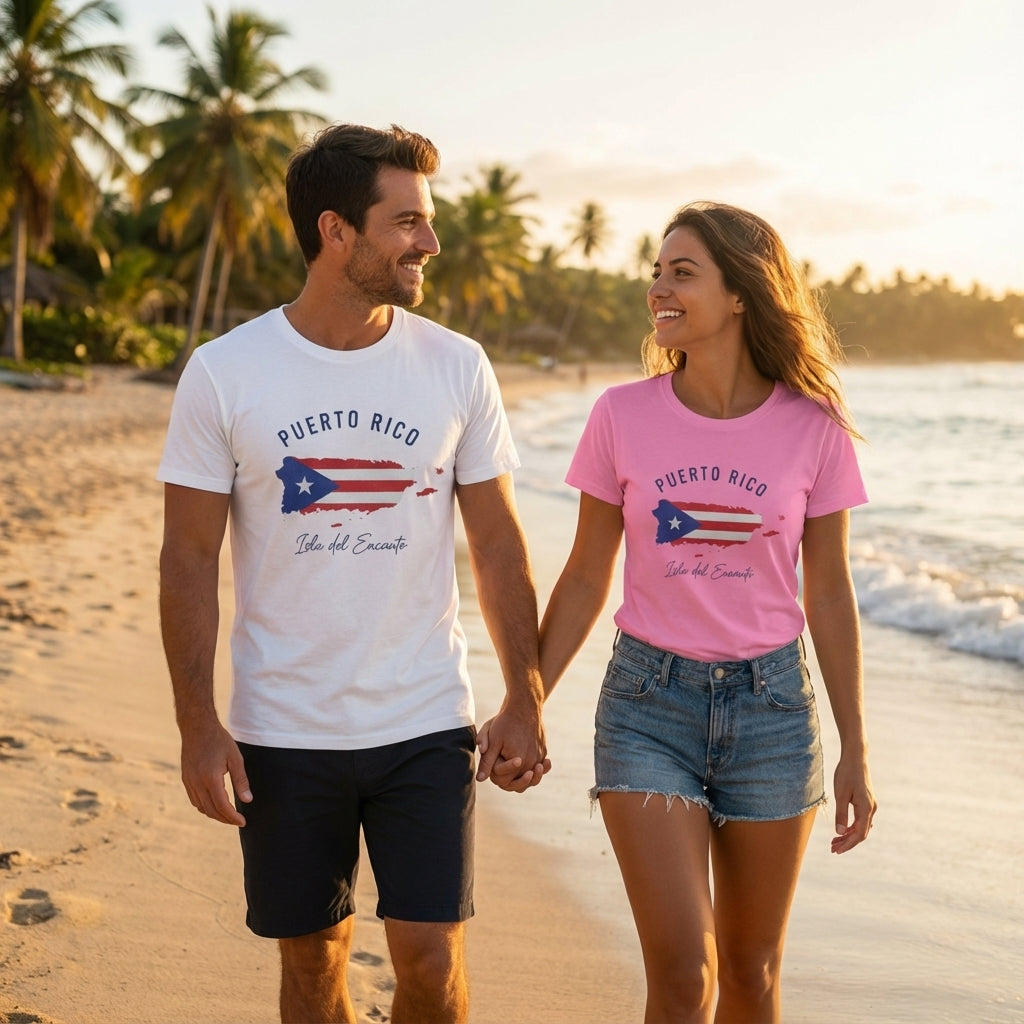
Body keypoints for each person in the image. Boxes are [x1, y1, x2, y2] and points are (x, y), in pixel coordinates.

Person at [157, 123, 548, 1024]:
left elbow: (496, 544)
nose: (430, 243)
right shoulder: (225, 373)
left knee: (430, 963)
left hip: (423, 718)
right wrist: (198, 725)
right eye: (407, 221)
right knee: (311, 967)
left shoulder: (457, 366)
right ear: (337, 231)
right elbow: (187, 557)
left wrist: (523, 697)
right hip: (283, 728)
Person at [480, 201, 877, 1022]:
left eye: (681, 272)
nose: (658, 287)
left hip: (774, 712)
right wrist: (528, 701)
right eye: (656, 272)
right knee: (682, 974)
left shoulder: (816, 427)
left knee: (753, 973)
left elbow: (829, 592)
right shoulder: (622, 415)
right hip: (646, 706)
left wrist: (855, 746)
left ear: (742, 294)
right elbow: (589, 574)